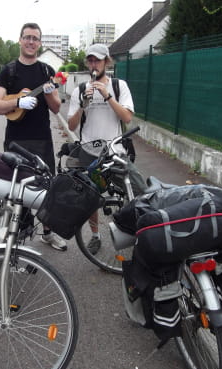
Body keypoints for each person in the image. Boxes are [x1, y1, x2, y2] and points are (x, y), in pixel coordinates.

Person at [0, 22, 67, 251]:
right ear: (20, 40)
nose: (31, 42)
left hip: (42, 139)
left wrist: (50, 92)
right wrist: (17, 102)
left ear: (40, 43)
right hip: (15, 140)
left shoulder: (46, 72)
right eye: (27, 37)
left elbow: (55, 107)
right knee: (16, 191)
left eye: (35, 38)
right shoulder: (9, 71)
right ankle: (17, 236)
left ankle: (48, 233)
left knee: (46, 188)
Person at [67, 43, 146, 254]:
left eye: (98, 60)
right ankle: (95, 235)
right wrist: (83, 104)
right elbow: (72, 126)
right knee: (91, 199)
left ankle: (138, 232)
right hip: (88, 152)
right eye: (91, 60)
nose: (94, 64)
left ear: (106, 62)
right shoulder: (80, 90)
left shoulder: (120, 86)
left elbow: (127, 118)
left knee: (139, 191)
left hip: (115, 152)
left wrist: (108, 97)